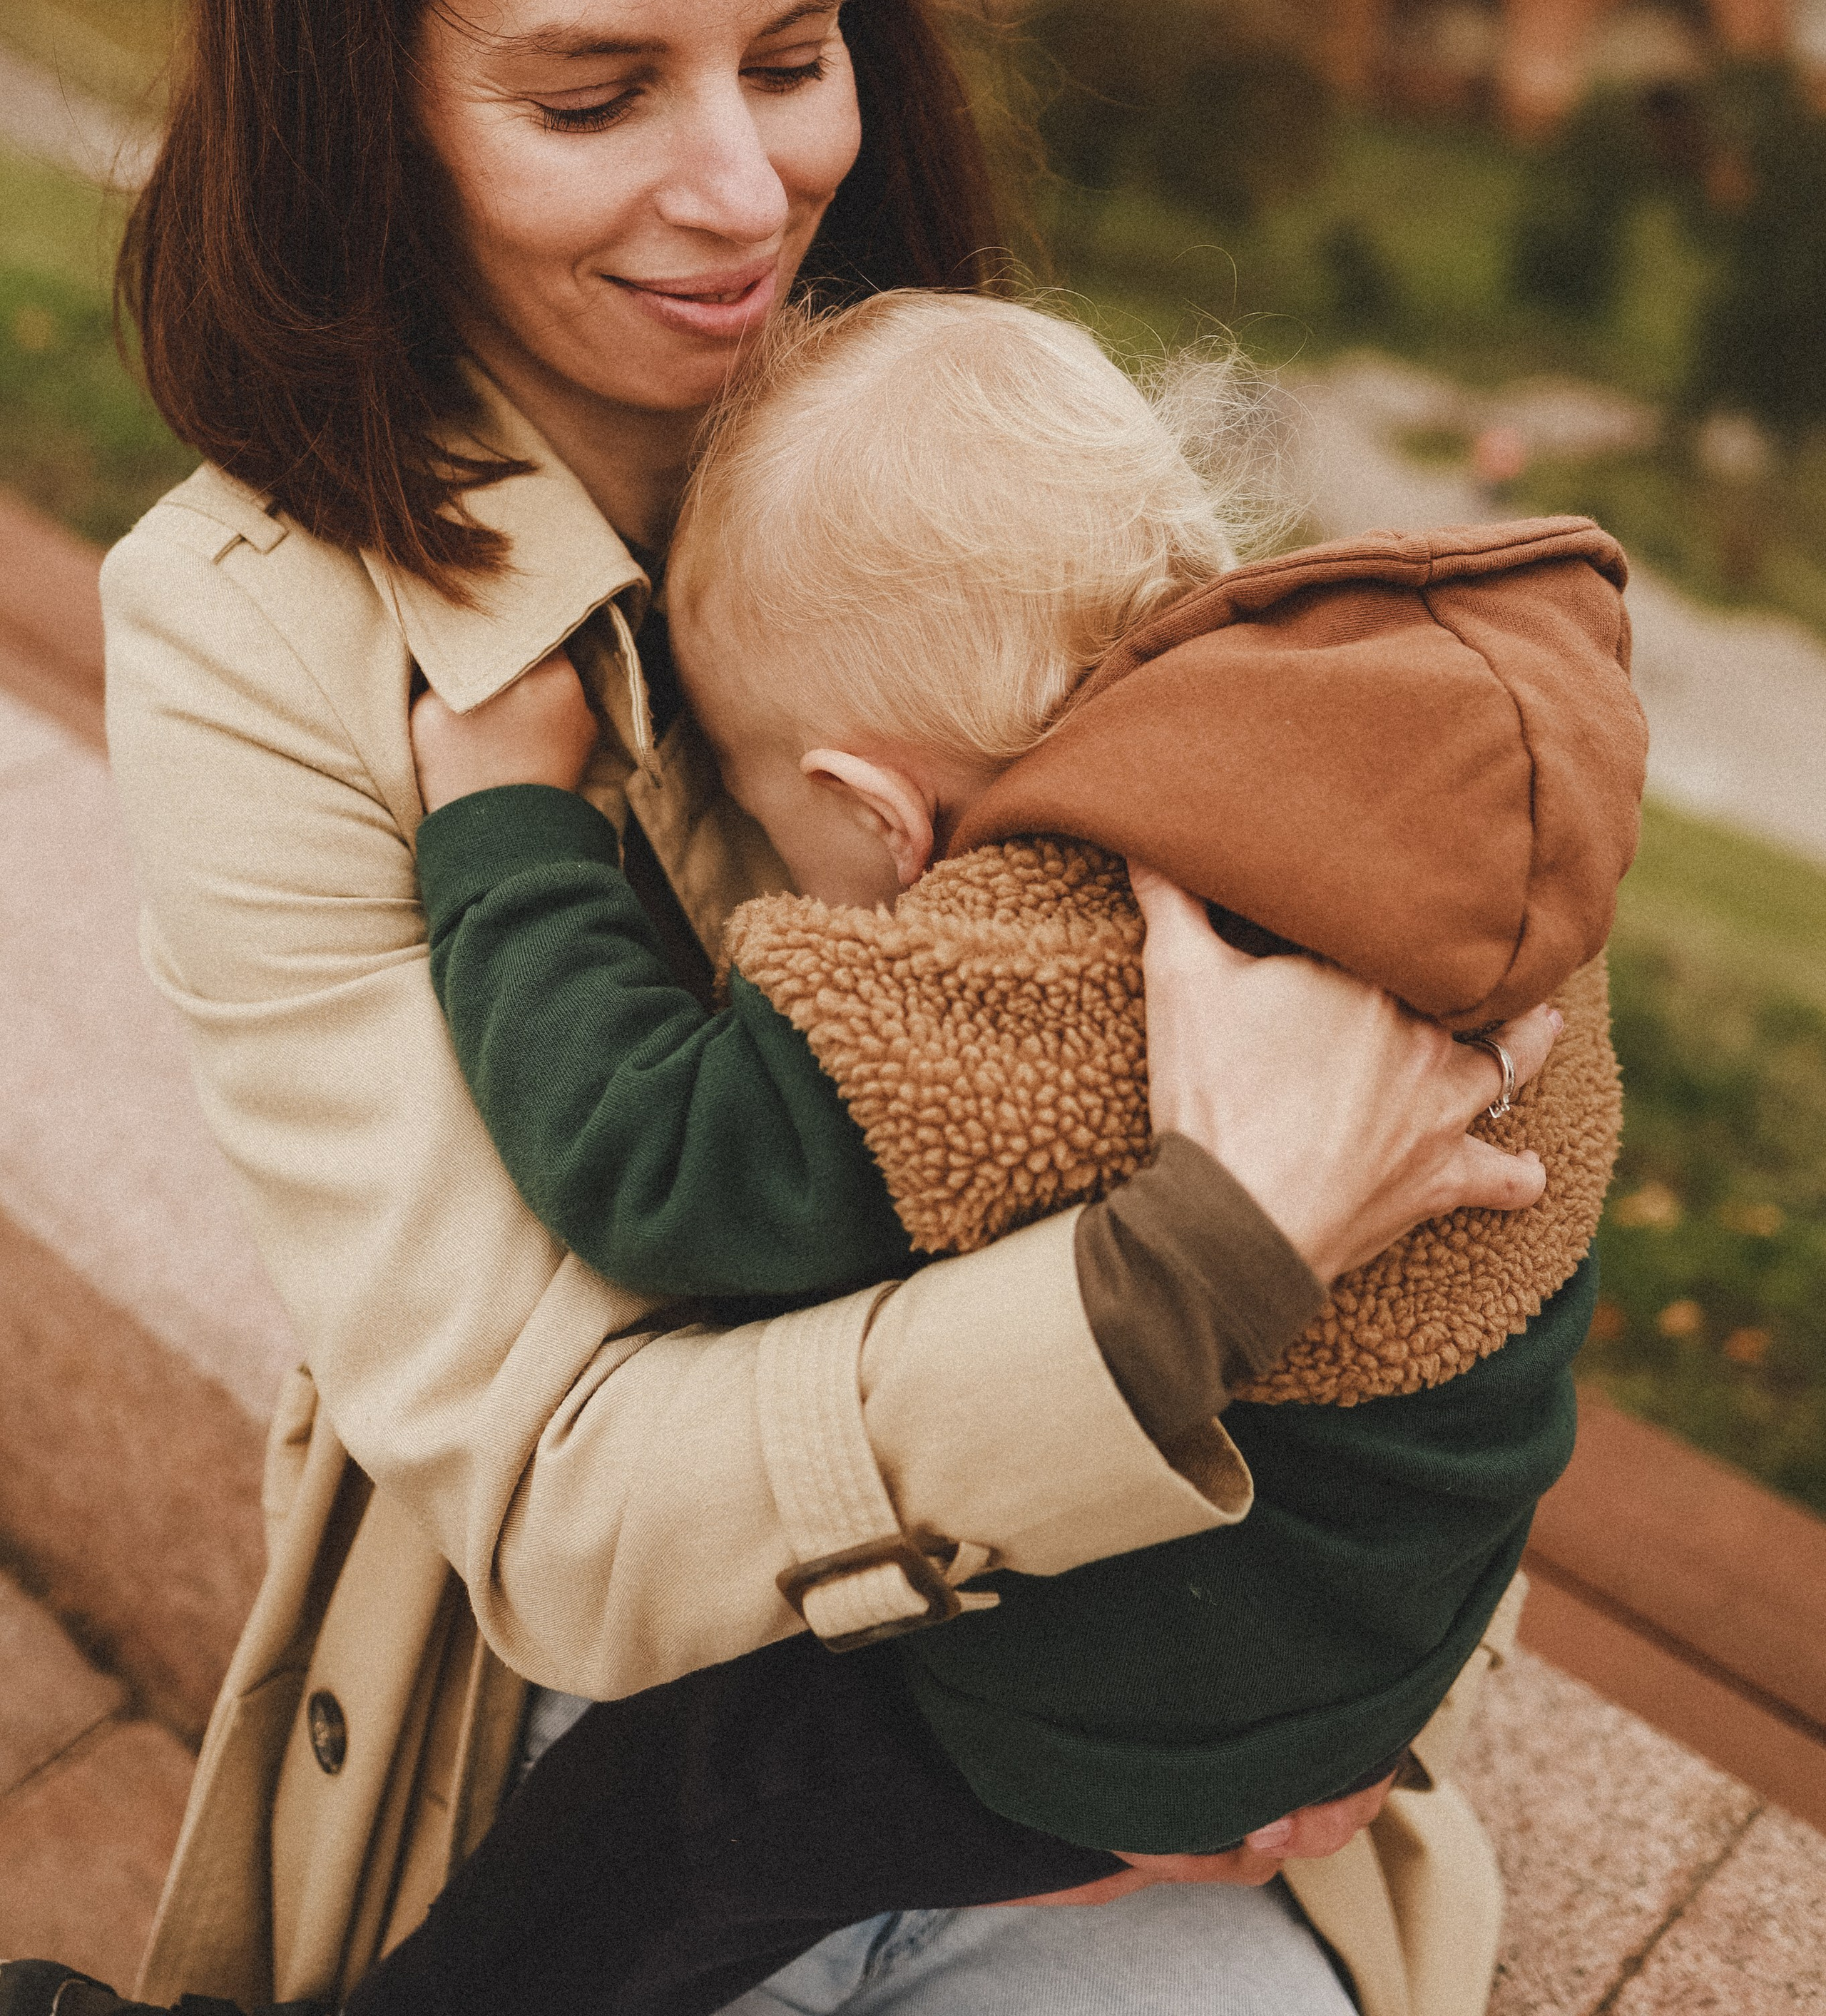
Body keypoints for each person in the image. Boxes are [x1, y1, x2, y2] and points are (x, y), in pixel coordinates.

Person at [9, 0, 1553, 2016]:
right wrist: (1193, 1266)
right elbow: (572, 1502)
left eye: (799, 51)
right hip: (604, 1740)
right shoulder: (267, 634)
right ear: (355, 99)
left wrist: (1304, 1681)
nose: (743, 192)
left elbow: (1449, 1153)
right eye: (595, 95)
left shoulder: (961, 434)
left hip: (1132, 1682)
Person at [364, 290, 1638, 2015]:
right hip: (1363, 1627)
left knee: (671, 1811)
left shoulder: (1042, 966)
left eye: (768, 814)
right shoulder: (1388, 790)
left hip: (1134, 1704)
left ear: (874, 813)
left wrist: (506, 826)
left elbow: (648, 1154)